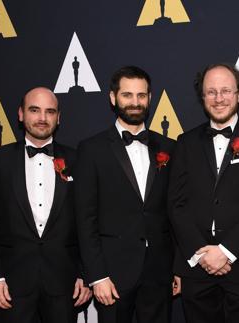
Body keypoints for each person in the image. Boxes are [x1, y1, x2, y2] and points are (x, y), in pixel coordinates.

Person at [168, 63, 239, 323]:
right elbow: (176, 204)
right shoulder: (185, 143)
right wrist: (201, 253)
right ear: (202, 97)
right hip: (197, 269)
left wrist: (225, 251)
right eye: (211, 92)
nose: (219, 99)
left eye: (226, 91)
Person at [0, 87, 91, 323]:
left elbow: (87, 222)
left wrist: (85, 273)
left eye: (50, 112)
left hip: (64, 283)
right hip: (11, 284)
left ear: (59, 117)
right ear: (20, 114)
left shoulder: (77, 160)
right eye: (34, 110)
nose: (42, 118)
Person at [75, 66, 177, 323]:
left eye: (141, 95)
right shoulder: (91, 149)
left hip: (159, 271)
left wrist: (178, 269)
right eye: (127, 95)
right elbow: (85, 218)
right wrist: (96, 276)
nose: (135, 102)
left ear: (150, 98)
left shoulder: (169, 147)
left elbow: (175, 212)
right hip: (112, 273)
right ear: (113, 98)